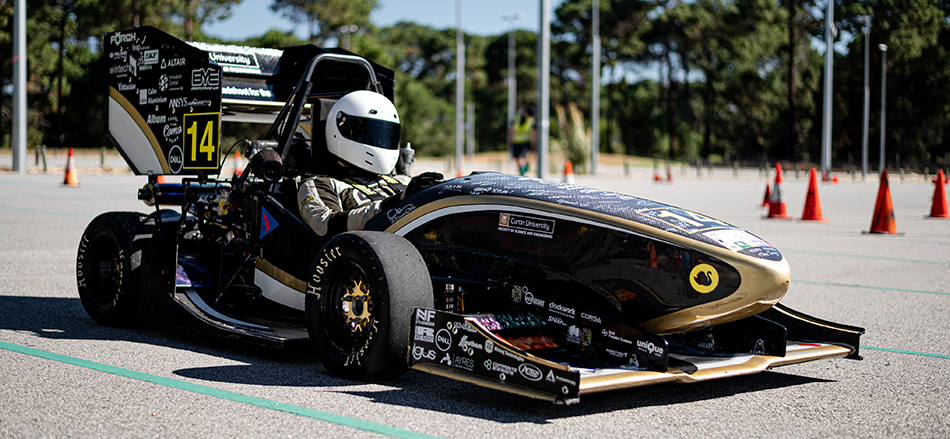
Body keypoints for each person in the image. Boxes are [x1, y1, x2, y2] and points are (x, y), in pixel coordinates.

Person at [297, 90, 441, 237]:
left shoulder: (404, 181)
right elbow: (325, 225)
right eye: (371, 135)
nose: (380, 142)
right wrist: (396, 202)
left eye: (384, 135)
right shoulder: (322, 184)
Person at [508, 105, 536, 176]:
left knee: (521, 158)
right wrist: (510, 140)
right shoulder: (517, 119)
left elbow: (533, 133)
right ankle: (522, 171)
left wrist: (533, 144)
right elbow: (512, 129)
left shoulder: (531, 121)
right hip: (516, 142)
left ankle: (522, 172)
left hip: (525, 142)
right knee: (517, 158)